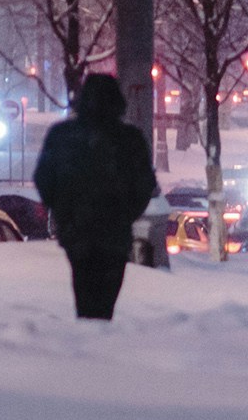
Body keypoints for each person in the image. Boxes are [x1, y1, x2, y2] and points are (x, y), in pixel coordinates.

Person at [32, 73, 159, 321]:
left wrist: (62, 212)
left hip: (76, 233)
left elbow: (43, 178)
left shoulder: (62, 136)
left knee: (84, 290)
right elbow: (144, 186)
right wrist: (124, 216)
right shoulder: (130, 140)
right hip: (114, 235)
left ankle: (88, 337)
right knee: (105, 301)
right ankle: (100, 338)